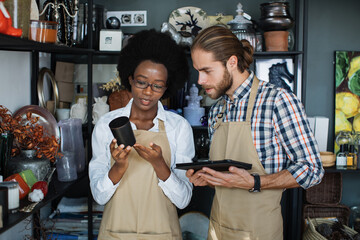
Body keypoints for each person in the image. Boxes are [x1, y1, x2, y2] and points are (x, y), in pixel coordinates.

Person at [186, 25, 324, 240]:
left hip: (259, 232)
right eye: (198, 71)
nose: (199, 80)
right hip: (217, 229)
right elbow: (230, 176)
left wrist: (255, 182)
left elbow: (312, 169)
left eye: (206, 71)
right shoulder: (217, 111)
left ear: (231, 62)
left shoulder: (277, 101)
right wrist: (210, 177)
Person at [89, 29, 195, 240]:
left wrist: (159, 165)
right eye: (141, 82)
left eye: (157, 86)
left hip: (163, 234)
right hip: (116, 233)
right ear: (130, 78)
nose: (148, 92)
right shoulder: (106, 125)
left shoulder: (179, 127)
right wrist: (119, 167)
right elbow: (99, 196)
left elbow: (183, 200)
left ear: (167, 88)